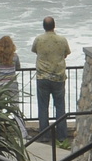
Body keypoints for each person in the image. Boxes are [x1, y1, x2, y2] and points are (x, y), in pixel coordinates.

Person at [30, 15, 71, 144]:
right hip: (58, 77)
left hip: (42, 77)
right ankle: (62, 136)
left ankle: (44, 135)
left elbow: (35, 51)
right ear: (54, 26)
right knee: (60, 106)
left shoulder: (38, 39)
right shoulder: (62, 40)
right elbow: (66, 53)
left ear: (43, 26)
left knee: (43, 107)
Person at [0, 34, 26, 141]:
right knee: (15, 108)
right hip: (12, 84)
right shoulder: (15, 56)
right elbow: (18, 67)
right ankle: (22, 132)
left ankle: (0, 132)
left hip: (1, 85)